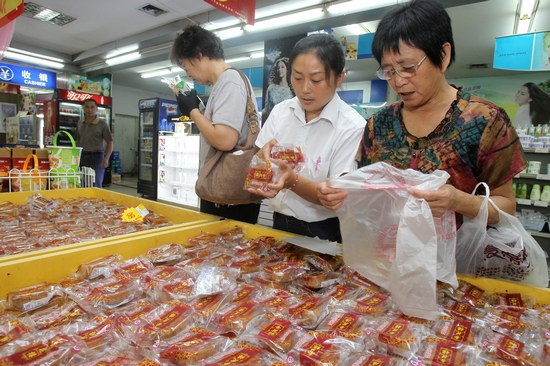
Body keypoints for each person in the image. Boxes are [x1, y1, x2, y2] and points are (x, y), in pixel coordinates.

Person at [318, 0, 525, 227]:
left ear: (443, 56)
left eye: (408, 68)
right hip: (388, 255)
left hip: (458, 259)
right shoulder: (379, 124)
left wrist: (459, 201)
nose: (398, 81)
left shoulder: (486, 121)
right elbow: (368, 188)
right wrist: (344, 190)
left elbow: (506, 206)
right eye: (388, 71)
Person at [248, 33, 366, 243]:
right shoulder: (281, 111)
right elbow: (258, 157)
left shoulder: (352, 126)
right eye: (298, 78)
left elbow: (334, 197)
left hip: (323, 231)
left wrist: (292, 180)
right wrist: (262, 160)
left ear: (339, 78)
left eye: (316, 80)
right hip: (279, 221)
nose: (304, 89)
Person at [169, 24, 261, 224]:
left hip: (227, 196)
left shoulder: (230, 81)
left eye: (186, 66)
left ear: (198, 56)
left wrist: (192, 111)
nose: (188, 75)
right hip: (226, 195)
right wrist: (198, 109)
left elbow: (225, 139)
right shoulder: (224, 83)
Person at [76, 99, 113, 188]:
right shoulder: (80, 123)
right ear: (83, 108)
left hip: (97, 158)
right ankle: (85, 202)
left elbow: (110, 142)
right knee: (83, 184)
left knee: (96, 184)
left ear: (96, 109)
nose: (89, 110)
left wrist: (106, 158)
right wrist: (76, 156)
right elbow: (78, 140)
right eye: (87, 107)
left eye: (92, 107)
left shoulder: (102, 124)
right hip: (83, 157)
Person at [262, 57, 294, 124]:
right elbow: (267, 108)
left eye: (282, 67)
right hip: (273, 124)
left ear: (287, 69)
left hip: (289, 125)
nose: (280, 69)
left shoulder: (293, 89)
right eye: (278, 68)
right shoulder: (271, 88)